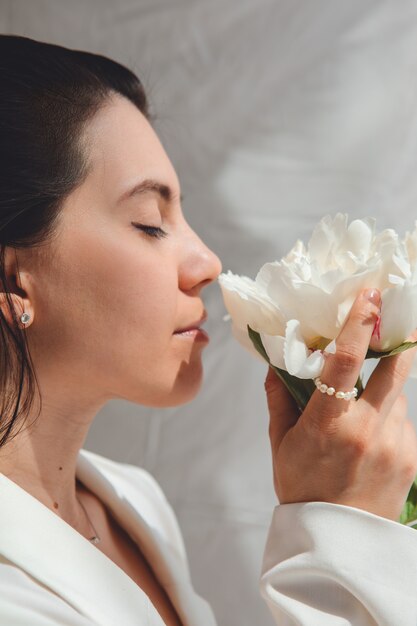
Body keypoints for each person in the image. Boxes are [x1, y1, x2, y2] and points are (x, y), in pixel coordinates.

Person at [0, 34, 416, 626]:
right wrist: (342, 533)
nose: (208, 263)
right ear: (12, 276)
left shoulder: (132, 503)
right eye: (149, 222)